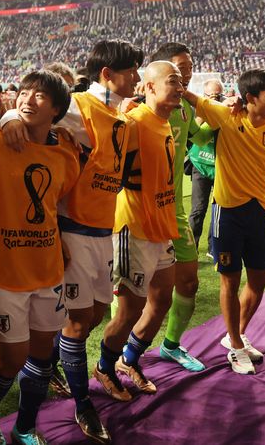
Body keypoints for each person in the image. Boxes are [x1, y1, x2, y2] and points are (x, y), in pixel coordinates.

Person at [0, 39, 144, 443]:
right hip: (74, 229)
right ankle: (82, 403)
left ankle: (50, 364)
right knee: (78, 323)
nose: (137, 77)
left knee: (95, 313)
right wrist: (10, 115)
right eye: (132, 70)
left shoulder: (121, 117)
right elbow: (34, 109)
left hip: (103, 232)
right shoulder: (82, 105)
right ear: (107, 75)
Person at [0, 70, 80, 445]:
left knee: (41, 355)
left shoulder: (66, 152)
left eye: (40, 95)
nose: (28, 99)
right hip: (5, 271)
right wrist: (4, 118)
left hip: (49, 270)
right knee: (11, 358)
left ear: (57, 109)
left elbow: (58, 204)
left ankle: (25, 425)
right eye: (24, 91)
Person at [184, 68, 265, 374]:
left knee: (259, 279)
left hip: (258, 211)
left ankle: (233, 335)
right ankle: (236, 345)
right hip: (228, 212)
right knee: (230, 279)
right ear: (250, 98)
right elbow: (191, 98)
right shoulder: (228, 116)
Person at [96, 61, 184, 401]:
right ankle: (104, 367)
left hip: (160, 228)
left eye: (181, 81)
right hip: (134, 229)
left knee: (162, 297)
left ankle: (128, 360)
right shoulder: (132, 122)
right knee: (131, 308)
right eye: (172, 81)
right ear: (148, 87)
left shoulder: (163, 122)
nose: (180, 86)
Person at [138, 43, 213, 373]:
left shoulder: (183, 108)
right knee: (134, 295)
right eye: (180, 69)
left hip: (173, 211)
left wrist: (225, 119)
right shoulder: (135, 112)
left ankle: (170, 345)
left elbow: (199, 139)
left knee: (188, 283)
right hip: (137, 213)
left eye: (190, 68)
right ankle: (125, 355)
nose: (187, 74)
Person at [188, 79, 222, 256]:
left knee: (218, 210)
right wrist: (203, 113)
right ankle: (191, 247)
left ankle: (213, 248)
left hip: (219, 168)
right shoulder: (197, 109)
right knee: (198, 209)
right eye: (210, 96)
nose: (214, 99)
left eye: (217, 95)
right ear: (204, 95)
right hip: (200, 163)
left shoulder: (225, 112)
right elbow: (193, 133)